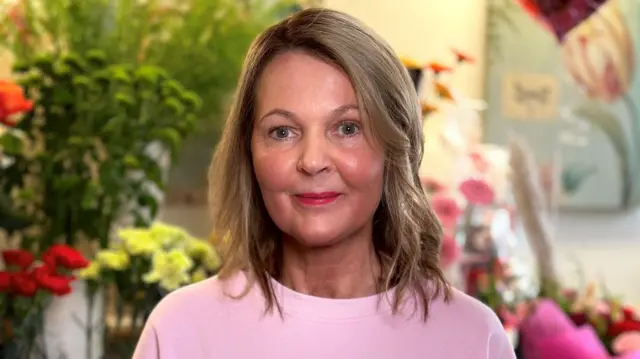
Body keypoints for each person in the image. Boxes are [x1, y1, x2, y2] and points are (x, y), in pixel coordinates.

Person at [133, 8, 515, 359]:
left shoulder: (471, 337)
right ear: (248, 152)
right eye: (282, 131)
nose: (313, 161)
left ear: (393, 146)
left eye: (347, 128)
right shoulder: (181, 330)